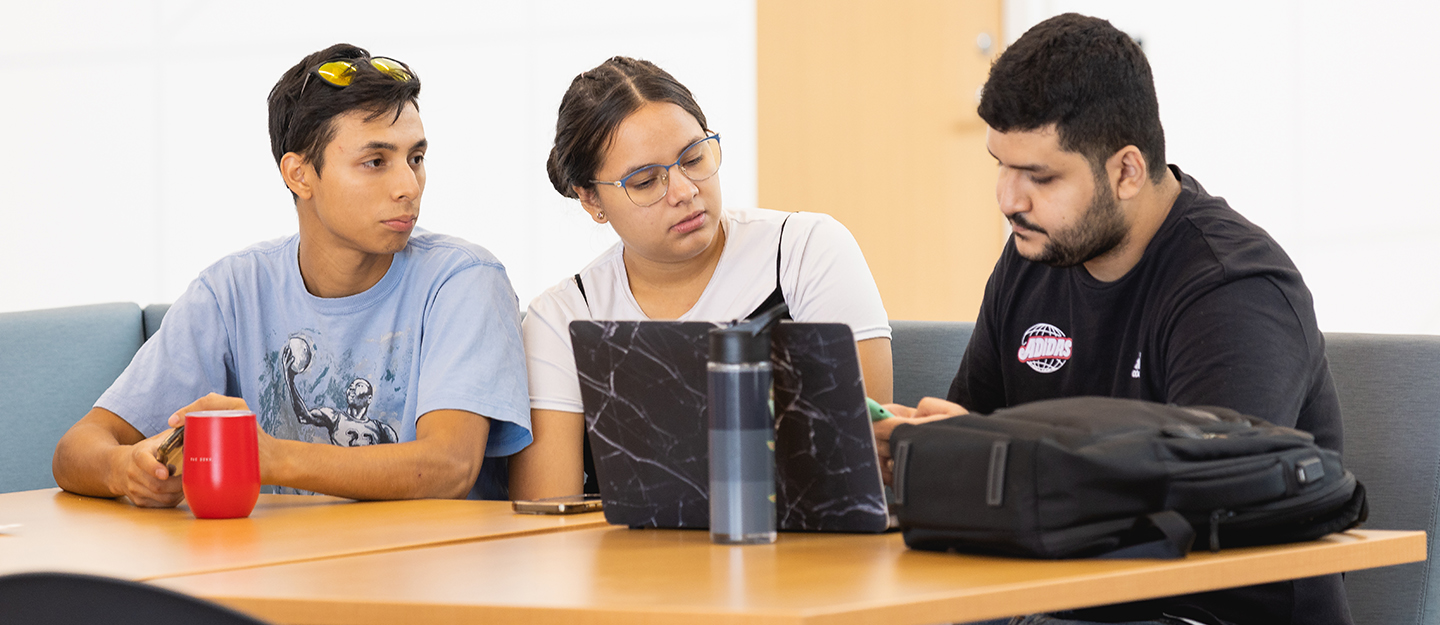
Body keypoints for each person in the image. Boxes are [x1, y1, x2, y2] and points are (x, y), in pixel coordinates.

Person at [875, 14, 1349, 625]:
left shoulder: (1234, 288)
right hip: (1056, 602)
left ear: (1126, 171)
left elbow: (1200, 504)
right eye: (1000, 164)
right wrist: (933, 452)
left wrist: (994, 461)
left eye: (1039, 176)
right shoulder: (1036, 255)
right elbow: (978, 432)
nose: (1007, 198)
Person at [52, 44, 531, 505]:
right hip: (277, 571)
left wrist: (269, 458)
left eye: (416, 158)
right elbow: (77, 448)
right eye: (375, 162)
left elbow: (449, 466)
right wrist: (129, 470)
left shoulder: (465, 280)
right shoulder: (232, 290)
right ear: (299, 174)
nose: (408, 186)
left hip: (430, 576)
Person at [510, 56, 892, 500]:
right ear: (591, 198)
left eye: (694, 158)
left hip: (802, 551)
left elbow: (862, 458)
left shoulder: (805, 251)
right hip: (630, 564)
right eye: (646, 181)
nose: (685, 191)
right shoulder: (565, 316)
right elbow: (548, 509)